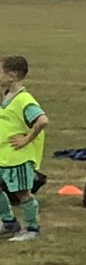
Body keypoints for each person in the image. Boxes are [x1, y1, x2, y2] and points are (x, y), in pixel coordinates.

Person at [0, 55, 52, 244]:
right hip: (3, 155)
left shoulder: (24, 99)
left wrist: (26, 139)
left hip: (17, 158)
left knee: (22, 193)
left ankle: (32, 229)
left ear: (12, 75)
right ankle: (8, 222)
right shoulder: (7, 95)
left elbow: (42, 120)